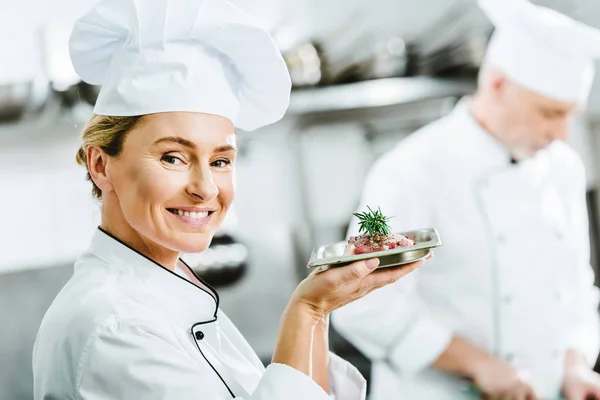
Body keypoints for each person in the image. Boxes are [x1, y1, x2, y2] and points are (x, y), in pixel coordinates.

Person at [31, 0, 429, 399]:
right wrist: (306, 311)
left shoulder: (170, 286)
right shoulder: (113, 327)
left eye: (221, 160)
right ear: (102, 166)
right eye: (174, 157)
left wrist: (318, 311)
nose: (205, 187)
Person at [332, 0, 600, 399]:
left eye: (570, 114)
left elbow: (576, 284)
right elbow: (360, 301)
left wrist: (575, 365)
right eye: (548, 112)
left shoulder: (564, 167)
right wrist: (478, 364)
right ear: (496, 85)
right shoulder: (408, 170)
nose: (561, 133)